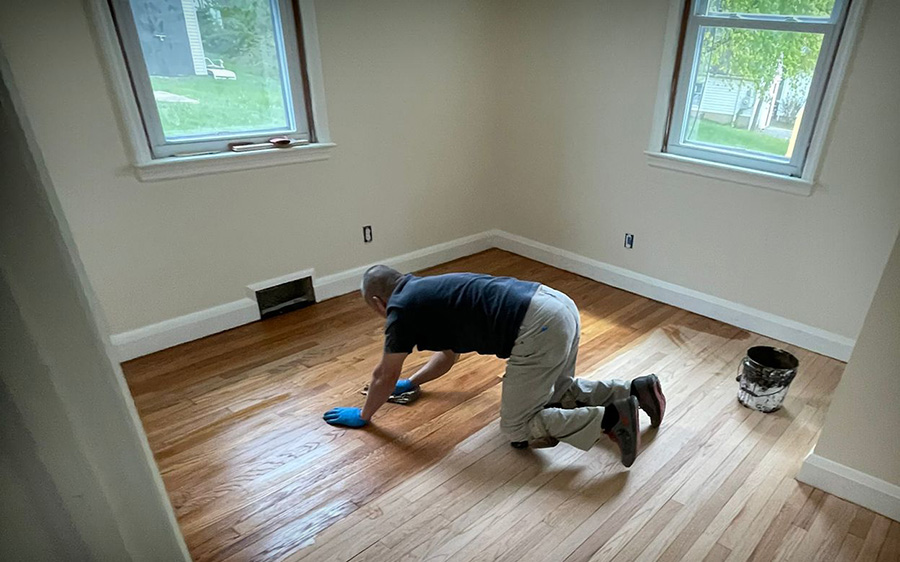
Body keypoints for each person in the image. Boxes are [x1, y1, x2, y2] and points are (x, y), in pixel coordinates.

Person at [323, 265, 666, 467]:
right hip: (557, 304)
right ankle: (635, 390)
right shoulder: (424, 292)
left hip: (538, 326)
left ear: (377, 302)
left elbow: (383, 373)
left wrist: (365, 416)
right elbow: (447, 356)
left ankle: (611, 419)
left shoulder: (400, 310)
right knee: (558, 391)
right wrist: (413, 382)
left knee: (517, 428)